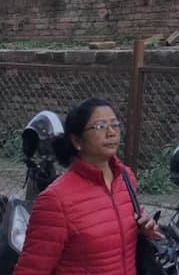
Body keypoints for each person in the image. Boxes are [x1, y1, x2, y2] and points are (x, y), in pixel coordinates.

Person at [14, 97, 160, 275]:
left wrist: (145, 229)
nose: (111, 132)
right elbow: (31, 269)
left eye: (115, 124)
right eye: (100, 126)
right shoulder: (55, 200)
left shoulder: (126, 178)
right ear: (77, 140)